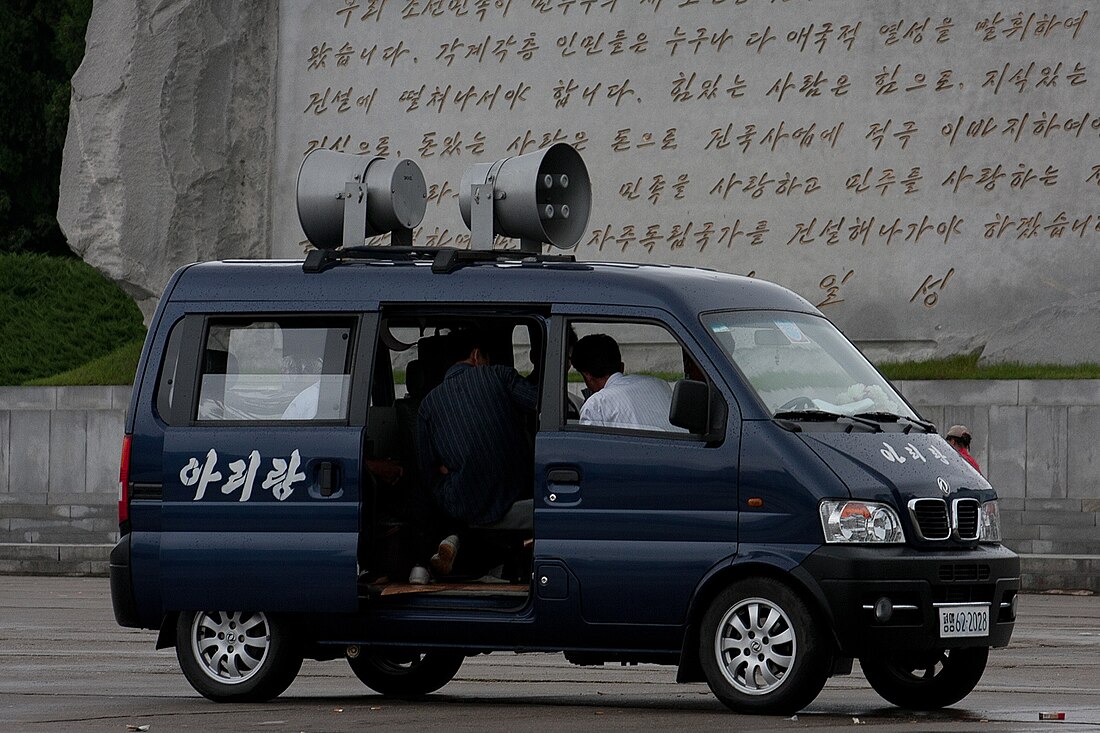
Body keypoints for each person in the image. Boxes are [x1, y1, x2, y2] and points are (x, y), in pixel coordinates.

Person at [416, 329, 538, 578]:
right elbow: (541, 406)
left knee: (449, 503)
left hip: (463, 501)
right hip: (514, 489)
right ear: (476, 355)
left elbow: (427, 469)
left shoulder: (427, 405)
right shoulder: (499, 376)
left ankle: (450, 542)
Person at [570, 333, 685, 432]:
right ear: (622, 367)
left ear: (587, 376)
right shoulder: (659, 384)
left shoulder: (595, 405)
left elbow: (588, 452)